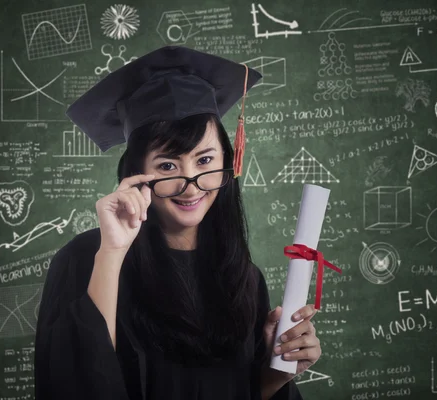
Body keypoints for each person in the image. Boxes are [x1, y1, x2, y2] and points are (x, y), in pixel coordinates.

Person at [34, 46, 321, 399]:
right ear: (137, 173)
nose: (191, 184)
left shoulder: (242, 277)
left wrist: (277, 372)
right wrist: (112, 252)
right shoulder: (85, 259)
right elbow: (75, 383)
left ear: (228, 163)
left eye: (205, 160)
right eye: (167, 166)